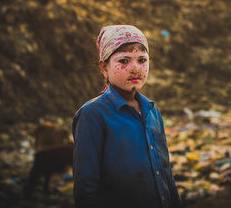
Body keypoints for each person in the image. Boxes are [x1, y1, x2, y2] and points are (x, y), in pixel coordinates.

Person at [72, 25, 181, 208]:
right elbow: (86, 191)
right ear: (104, 68)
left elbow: (165, 175)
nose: (135, 69)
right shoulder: (92, 115)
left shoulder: (152, 111)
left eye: (142, 60)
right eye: (124, 61)